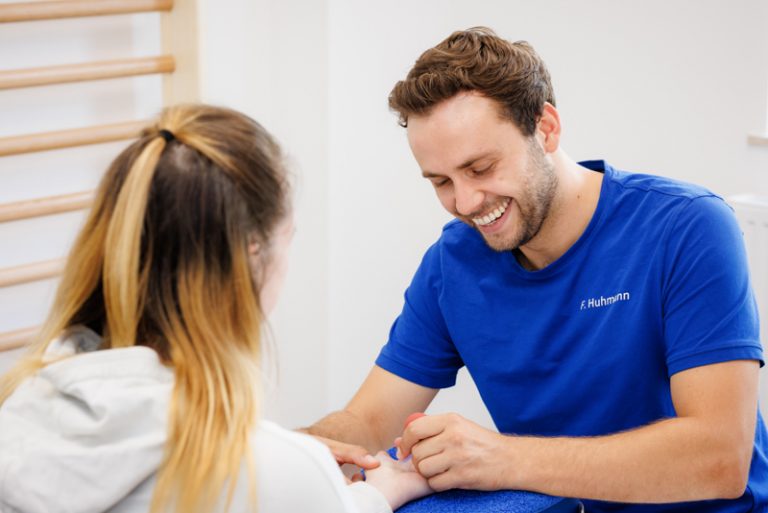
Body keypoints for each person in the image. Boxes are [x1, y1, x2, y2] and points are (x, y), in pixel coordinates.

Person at [303, 27, 768, 512]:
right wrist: (275, 452)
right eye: (441, 181)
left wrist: (500, 457)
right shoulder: (452, 264)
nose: (464, 202)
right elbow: (368, 422)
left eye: (480, 168)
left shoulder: (686, 227)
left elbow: (719, 458)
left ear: (545, 128)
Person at [0, 104, 432, 513]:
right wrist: (369, 493)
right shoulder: (265, 471)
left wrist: (289, 453)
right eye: (288, 237)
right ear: (252, 254)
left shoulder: (19, 412)